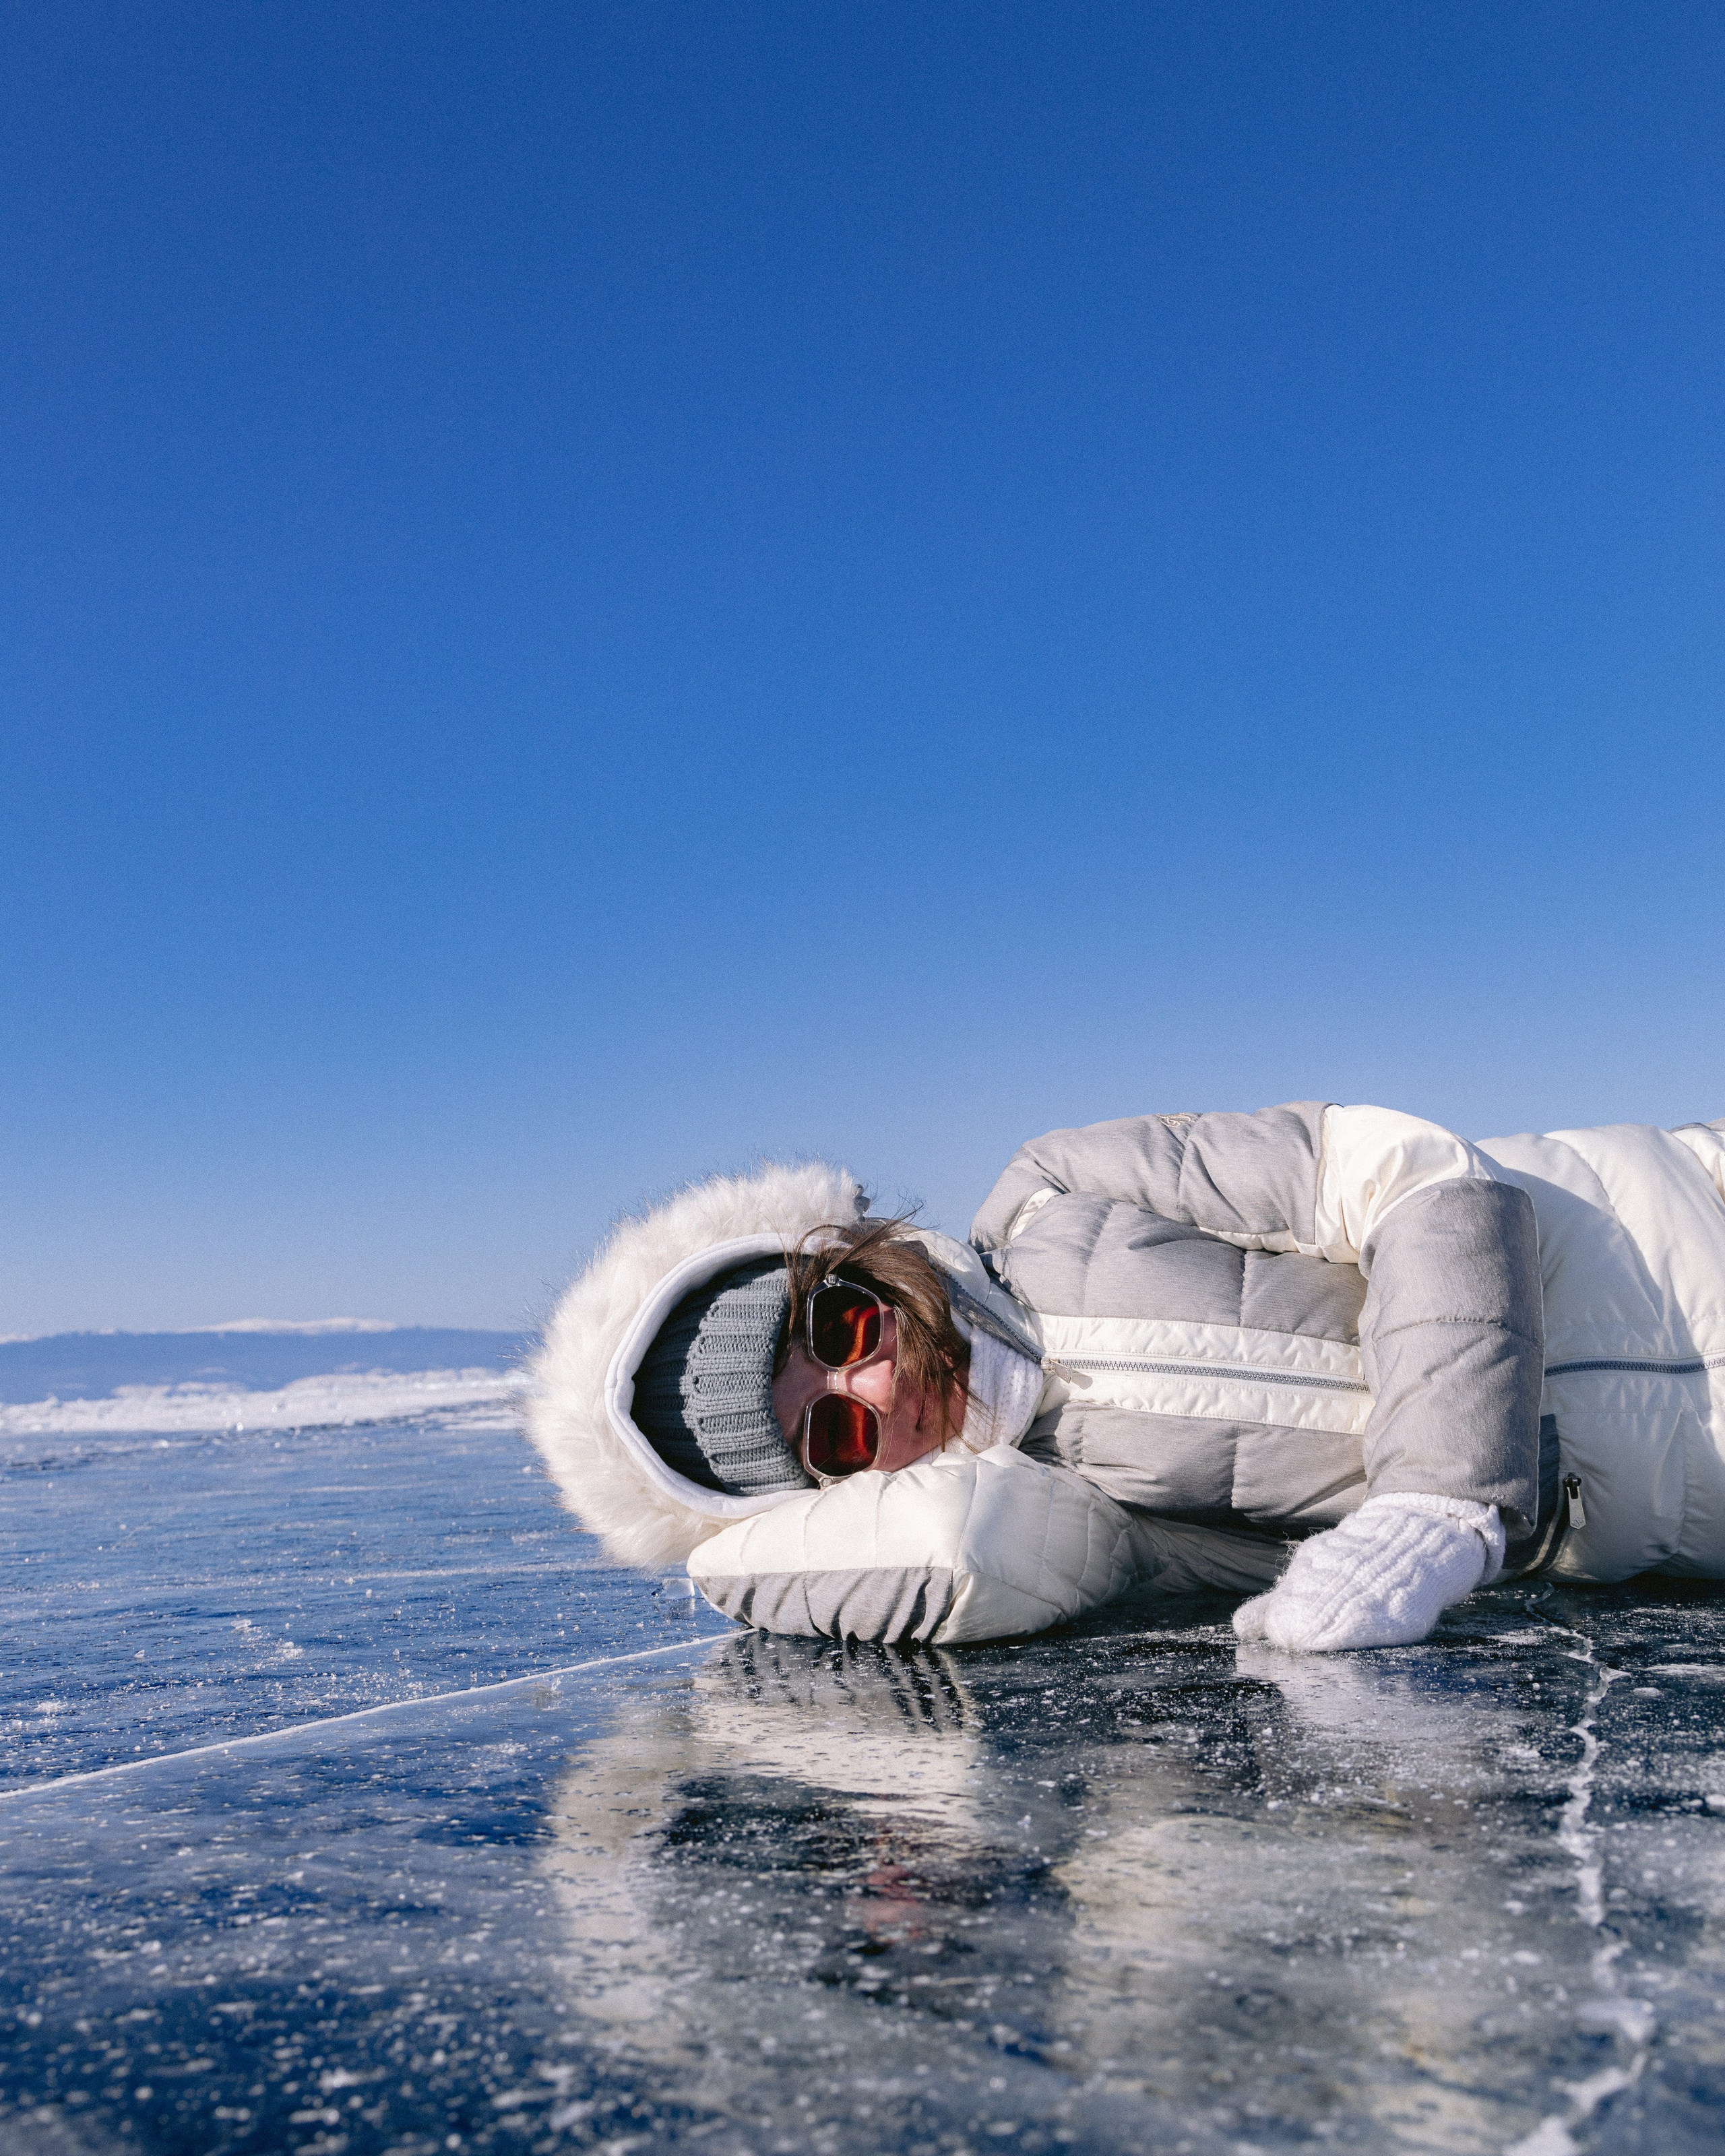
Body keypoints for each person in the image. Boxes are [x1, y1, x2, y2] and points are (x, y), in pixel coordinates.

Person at [524, 1103, 1725, 1650]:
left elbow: (1414, 1174)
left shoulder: (1060, 1191)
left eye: (840, 1331)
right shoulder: (1071, 1510)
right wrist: (704, 1545)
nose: (878, 1392)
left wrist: (1442, 1495)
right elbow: (971, 1553)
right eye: (834, 1441)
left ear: (847, 1265)